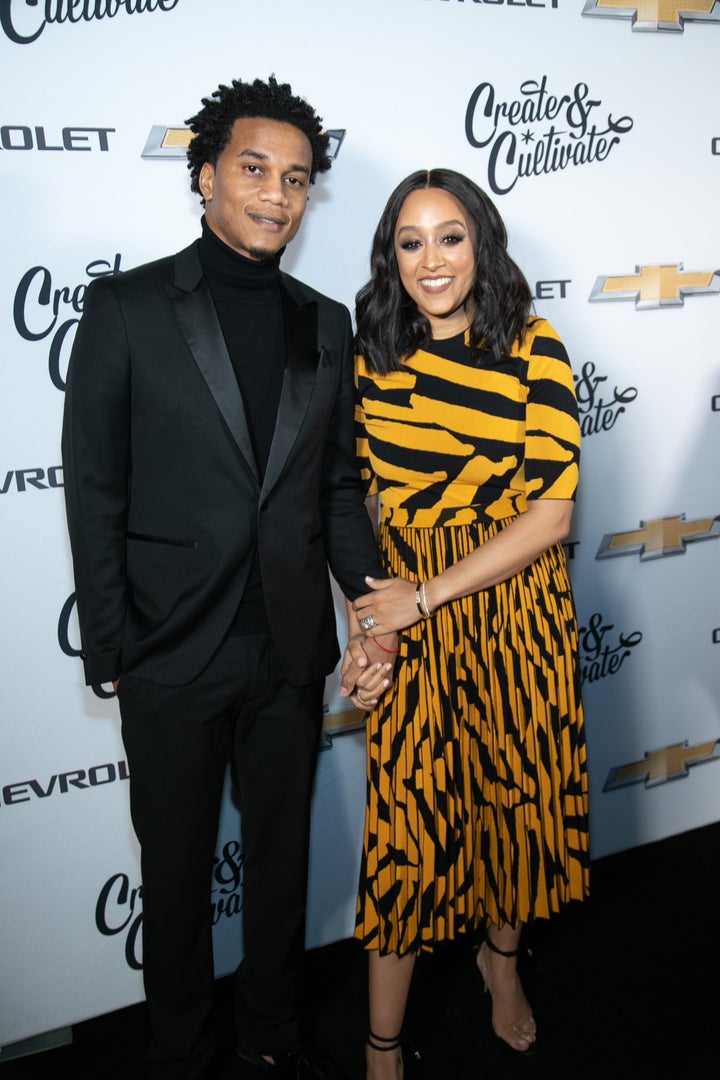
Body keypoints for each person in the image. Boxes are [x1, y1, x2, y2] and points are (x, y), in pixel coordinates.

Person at [61, 75, 395, 1080]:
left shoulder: (324, 322)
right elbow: (95, 487)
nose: (276, 195)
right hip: (170, 652)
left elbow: (337, 488)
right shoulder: (126, 307)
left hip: (289, 651)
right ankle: (180, 1050)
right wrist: (115, 646)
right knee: (175, 877)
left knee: (280, 872)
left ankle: (271, 1037)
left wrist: (372, 612)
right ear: (206, 175)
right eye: (254, 169)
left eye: (296, 179)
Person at [344, 168, 590, 1078]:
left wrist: (426, 596)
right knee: (403, 837)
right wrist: (374, 626)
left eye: (451, 236)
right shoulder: (371, 351)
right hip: (414, 620)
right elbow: (360, 505)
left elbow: (551, 516)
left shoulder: (534, 343)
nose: (432, 259)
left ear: (481, 243)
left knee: (514, 810)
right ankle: (380, 1047)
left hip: (514, 615)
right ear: (391, 256)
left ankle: (502, 961)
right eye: (411, 241)